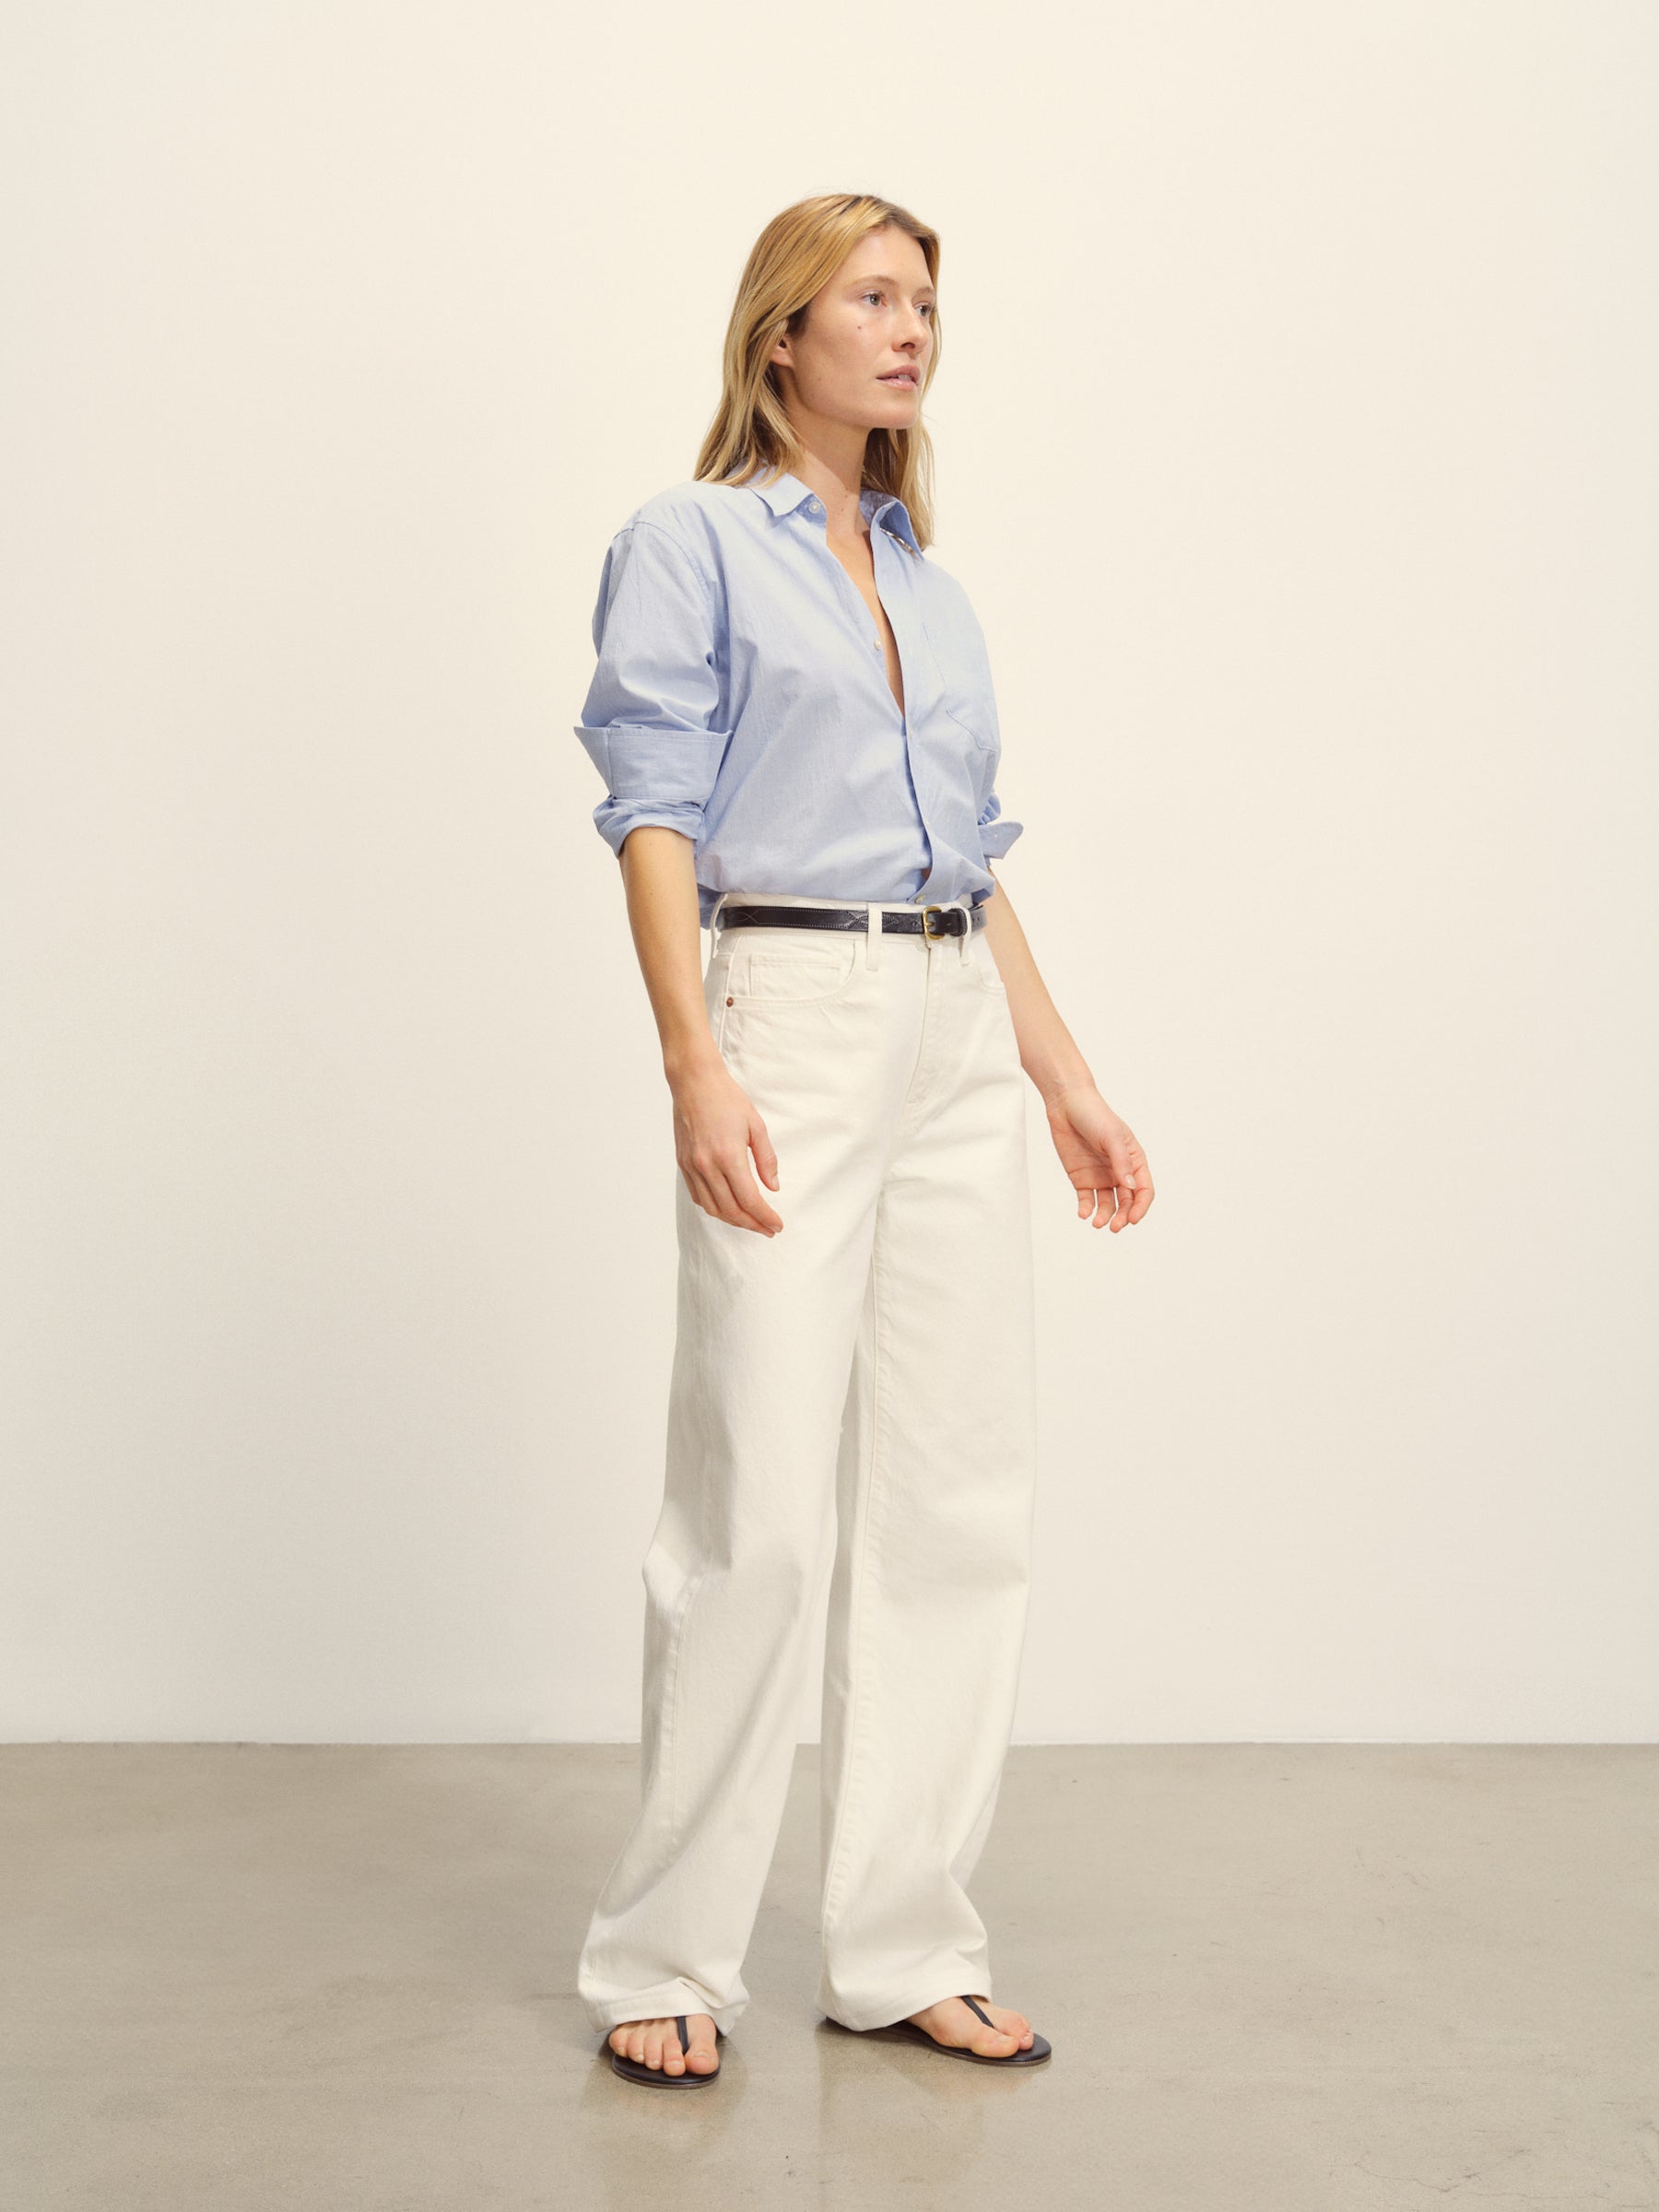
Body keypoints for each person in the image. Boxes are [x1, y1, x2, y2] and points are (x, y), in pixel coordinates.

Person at [572, 193, 1154, 2088]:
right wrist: (692, 1059)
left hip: (953, 1025)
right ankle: (665, 1954)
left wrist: (1061, 1076)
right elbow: (656, 810)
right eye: (875, 298)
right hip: (792, 1016)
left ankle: (903, 1942)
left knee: (954, 1496)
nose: (912, 330)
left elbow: (969, 867)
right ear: (782, 336)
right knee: (753, 1503)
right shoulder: (688, 543)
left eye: (926, 303)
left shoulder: (929, 584)